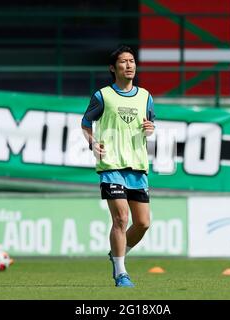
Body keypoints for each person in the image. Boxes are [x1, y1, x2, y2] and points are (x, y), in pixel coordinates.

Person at [81, 45, 155, 287]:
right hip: (111, 165)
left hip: (137, 166)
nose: (129, 65)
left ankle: (117, 253)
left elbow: (150, 124)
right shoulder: (102, 96)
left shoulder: (145, 96)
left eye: (132, 61)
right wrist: (92, 143)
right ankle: (121, 272)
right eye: (123, 62)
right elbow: (85, 122)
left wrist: (150, 129)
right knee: (121, 219)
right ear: (113, 68)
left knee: (143, 223)